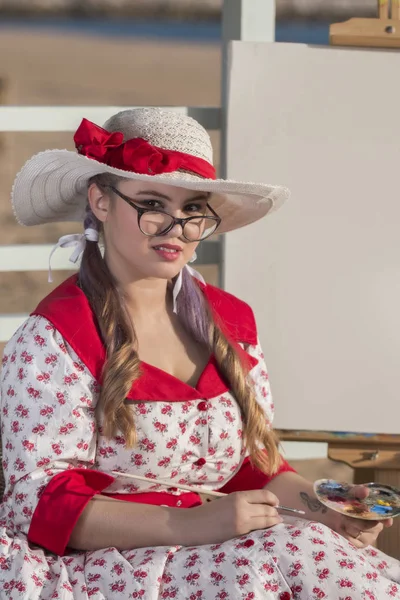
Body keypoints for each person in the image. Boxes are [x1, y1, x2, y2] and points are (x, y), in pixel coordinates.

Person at [0, 107, 399, 600]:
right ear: (101, 201)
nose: (176, 226)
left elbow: (257, 468)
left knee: (316, 545)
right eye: (152, 203)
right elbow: (37, 503)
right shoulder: (53, 338)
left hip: (217, 547)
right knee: (291, 554)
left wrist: (328, 513)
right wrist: (185, 524)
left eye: (193, 209)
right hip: (103, 565)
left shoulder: (230, 322)